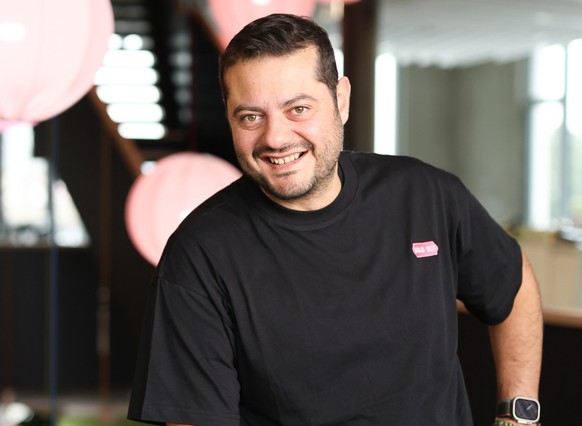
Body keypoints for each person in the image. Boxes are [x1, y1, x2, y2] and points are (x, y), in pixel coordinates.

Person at [127, 13, 543, 426]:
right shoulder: (200, 255)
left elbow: (513, 283)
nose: (275, 137)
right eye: (250, 116)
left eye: (298, 109)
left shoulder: (425, 194)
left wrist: (518, 416)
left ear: (340, 100)